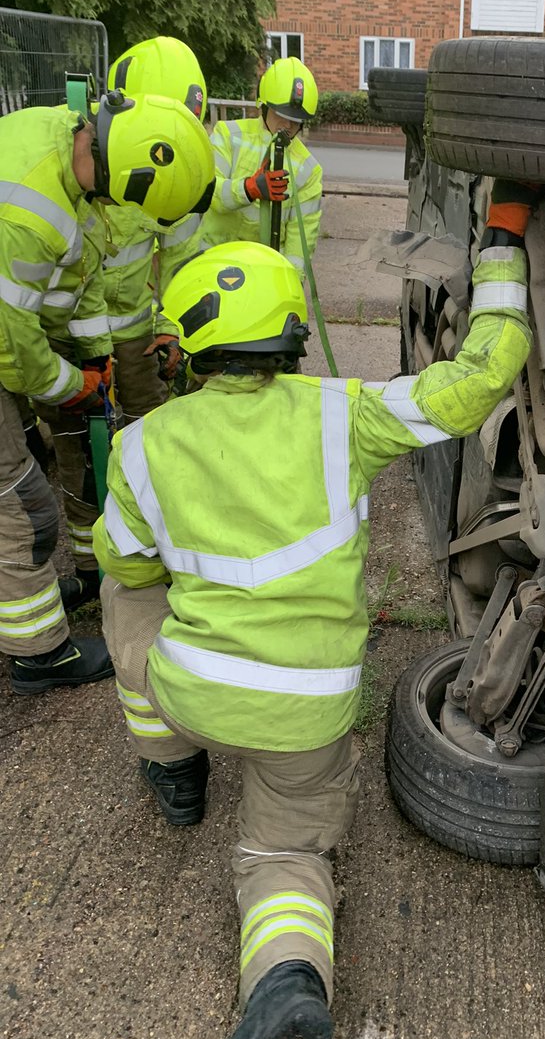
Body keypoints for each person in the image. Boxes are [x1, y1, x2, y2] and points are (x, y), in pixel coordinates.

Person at [92, 179, 537, 1039]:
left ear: (187, 347)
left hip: (191, 693)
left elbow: (127, 565)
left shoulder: (144, 445)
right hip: (305, 715)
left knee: (124, 596)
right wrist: (501, 247)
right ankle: (287, 979)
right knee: (284, 854)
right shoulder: (347, 416)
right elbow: (481, 376)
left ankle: (173, 773)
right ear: (293, 331)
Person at [0, 90, 214, 695]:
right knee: (21, 501)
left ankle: (38, 595)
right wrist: (77, 386)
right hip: (10, 343)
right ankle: (39, 653)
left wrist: (94, 362)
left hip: (26, 336)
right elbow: (18, 354)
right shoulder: (32, 216)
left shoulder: (59, 145)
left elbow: (74, 284)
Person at [99, 36, 209, 430]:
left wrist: (170, 329)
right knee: (78, 427)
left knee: (146, 419)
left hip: (132, 328)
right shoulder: (81, 148)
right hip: (67, 326)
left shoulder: (181, 167)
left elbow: (181, 263)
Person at [201, 56, 323, 276]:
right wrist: (247, 189)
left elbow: (299, 246)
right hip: (213, 263)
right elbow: (208, 195)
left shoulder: (308, 170)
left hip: (264, 276)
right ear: (264, 107)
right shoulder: (228, 136)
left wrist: (288, 289)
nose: (287, 126)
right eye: (281, 116)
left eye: (295, 121)